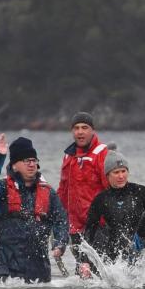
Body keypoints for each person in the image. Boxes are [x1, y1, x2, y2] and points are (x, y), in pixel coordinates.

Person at [0, 134, 68, 283]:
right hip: (8, 271)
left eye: (34, 160)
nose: (31, 164)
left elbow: (61, 220)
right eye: (26, 160)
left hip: (40, 273)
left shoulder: (48, 192)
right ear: (15, 165)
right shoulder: (2, 189)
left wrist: (59, 244)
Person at [78, 150, 145, 277]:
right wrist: (84, 261)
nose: (121, 176)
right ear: (108, 175)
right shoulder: (101, 199)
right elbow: (89, 231)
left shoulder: (141, 192)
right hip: (114, 257)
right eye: (116, 172)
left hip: (141, 251)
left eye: (123, 171)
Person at [57, 112, 110, 265]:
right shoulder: (68, 156)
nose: (80, 132)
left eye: (84, 127)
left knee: (93, 268)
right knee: (81, 271)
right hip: (75, 226)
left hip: (98, 224)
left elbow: (110, 189)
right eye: (76, 128)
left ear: (92, 130)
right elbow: (63, 190)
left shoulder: (102, 153)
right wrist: (58, 217)